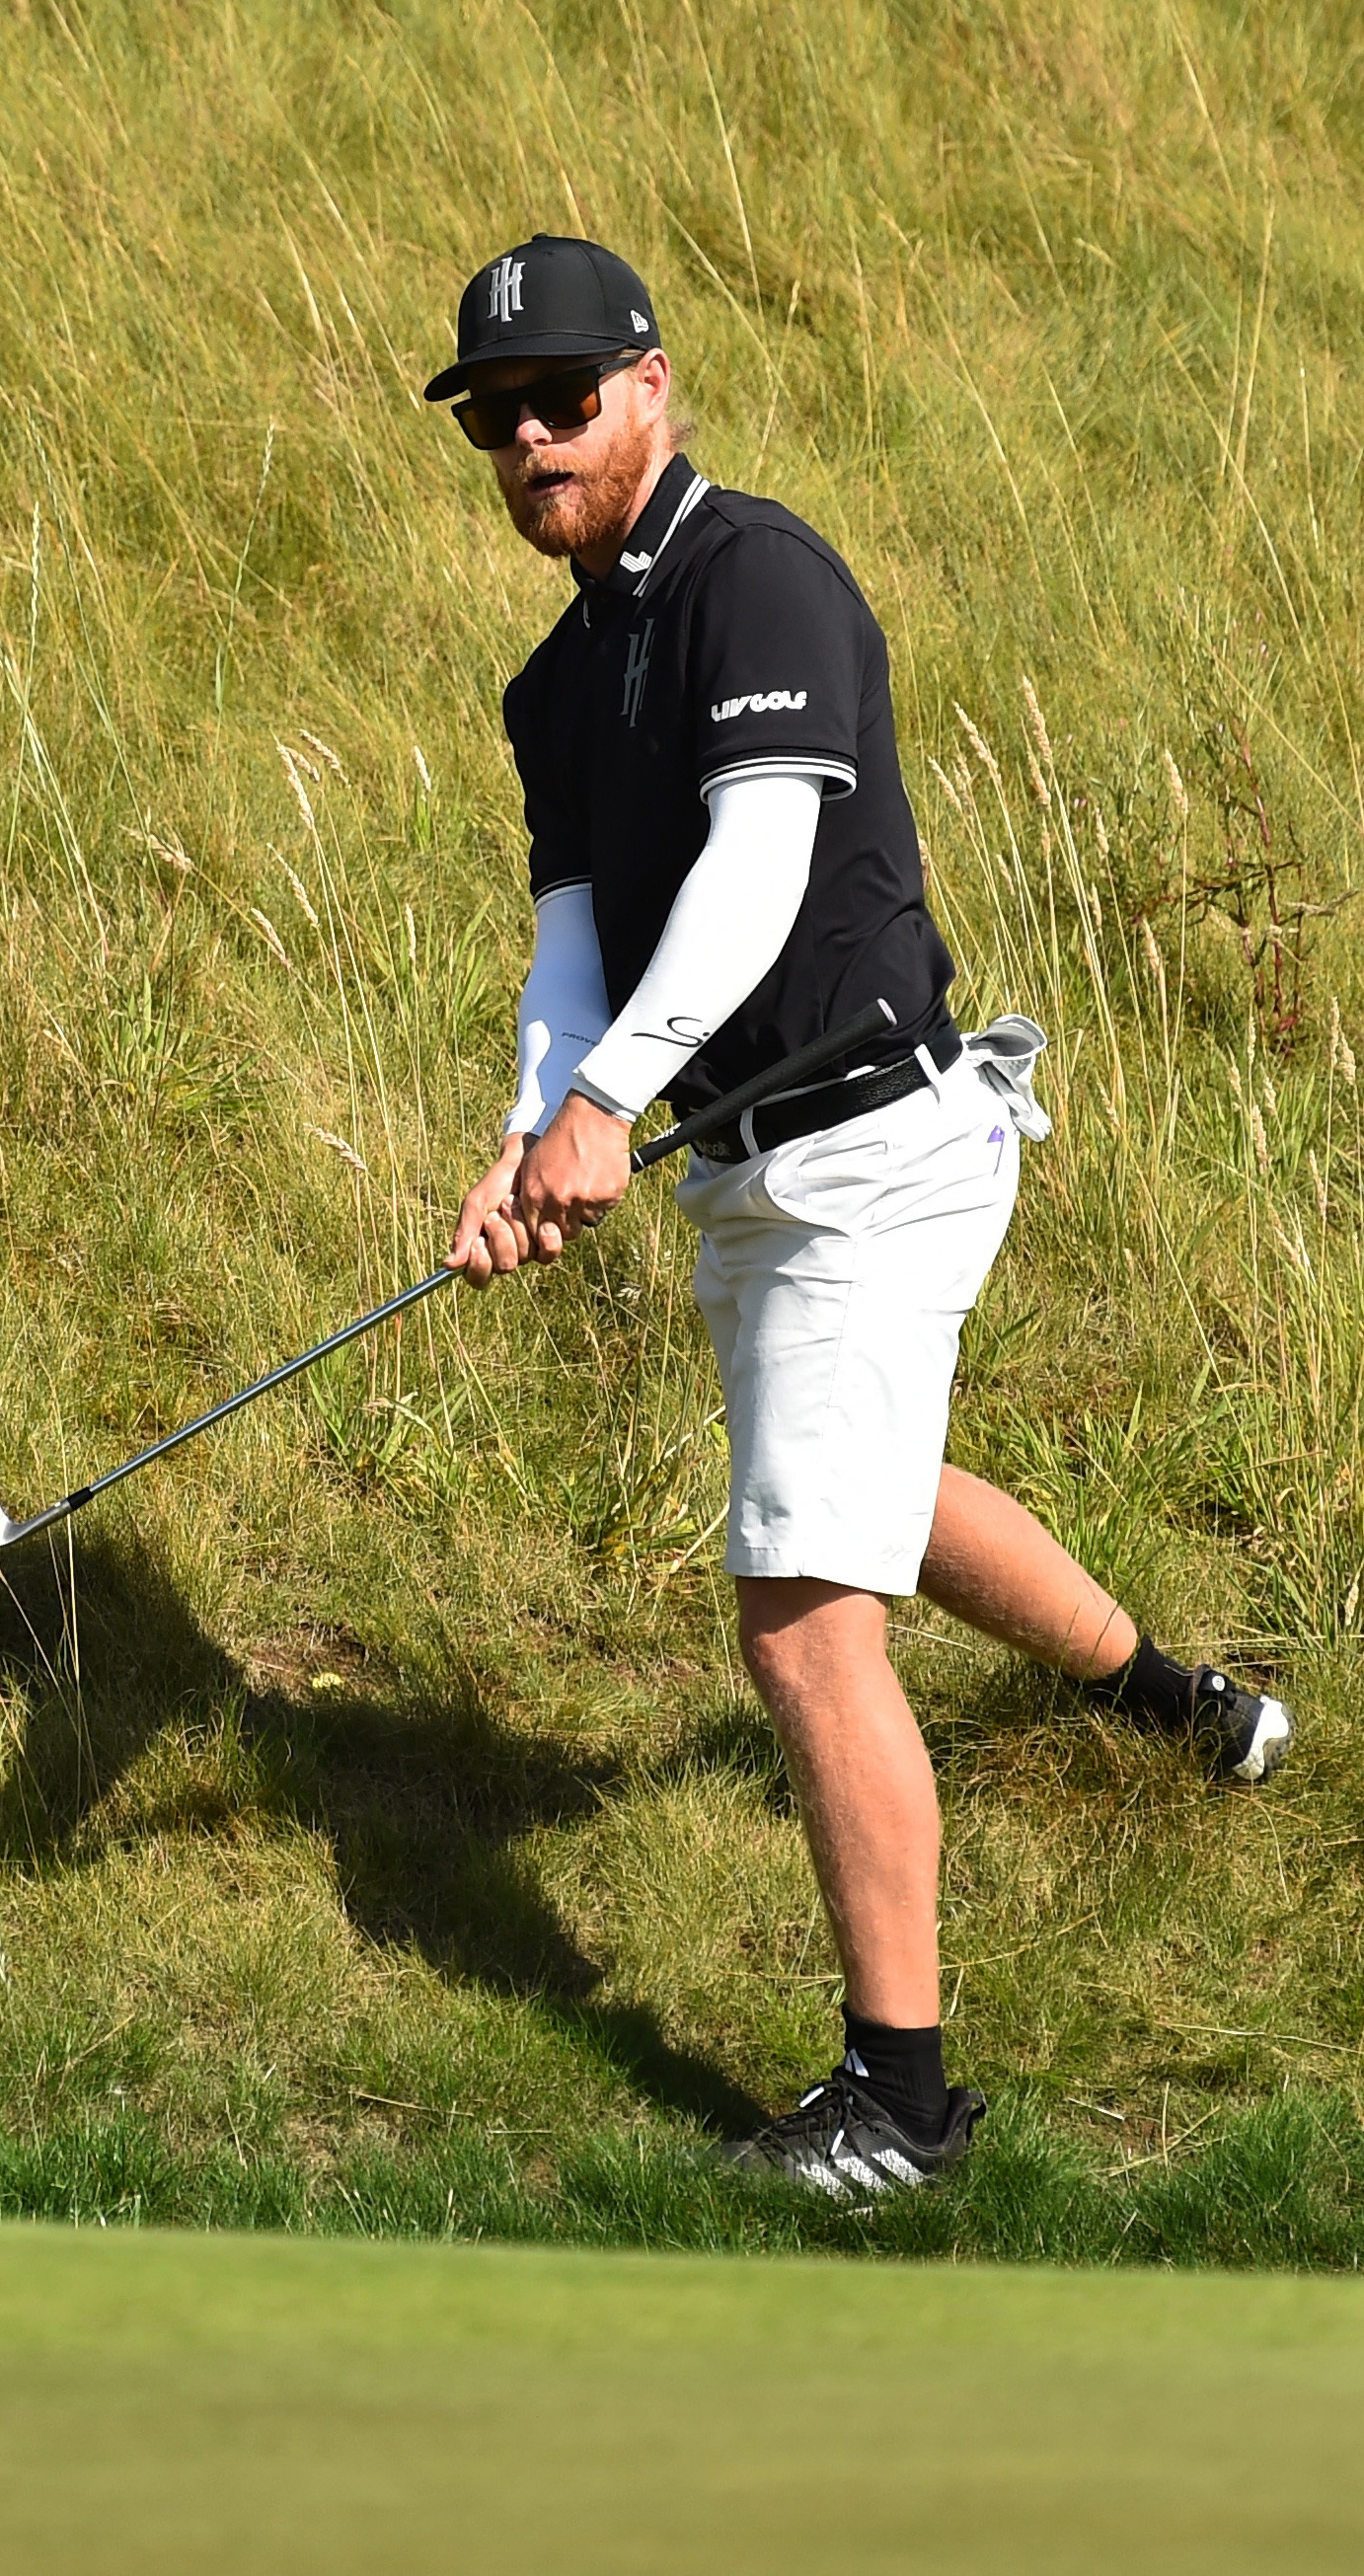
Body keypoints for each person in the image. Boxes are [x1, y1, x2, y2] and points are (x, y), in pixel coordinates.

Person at [426, 235, 1289, 2197]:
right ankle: (1173, 1706)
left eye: (565, 394)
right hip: (757, 1172)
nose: (532, 433)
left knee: (805, 1616)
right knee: (874, 1495)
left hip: (874, 1147)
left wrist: (603, 1102)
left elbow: (758, 863)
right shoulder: (557, 683)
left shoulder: (763, 578)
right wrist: (524, 1130)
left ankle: (900, 2102)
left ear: (655, 386)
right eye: (497, 414)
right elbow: (579, 941)